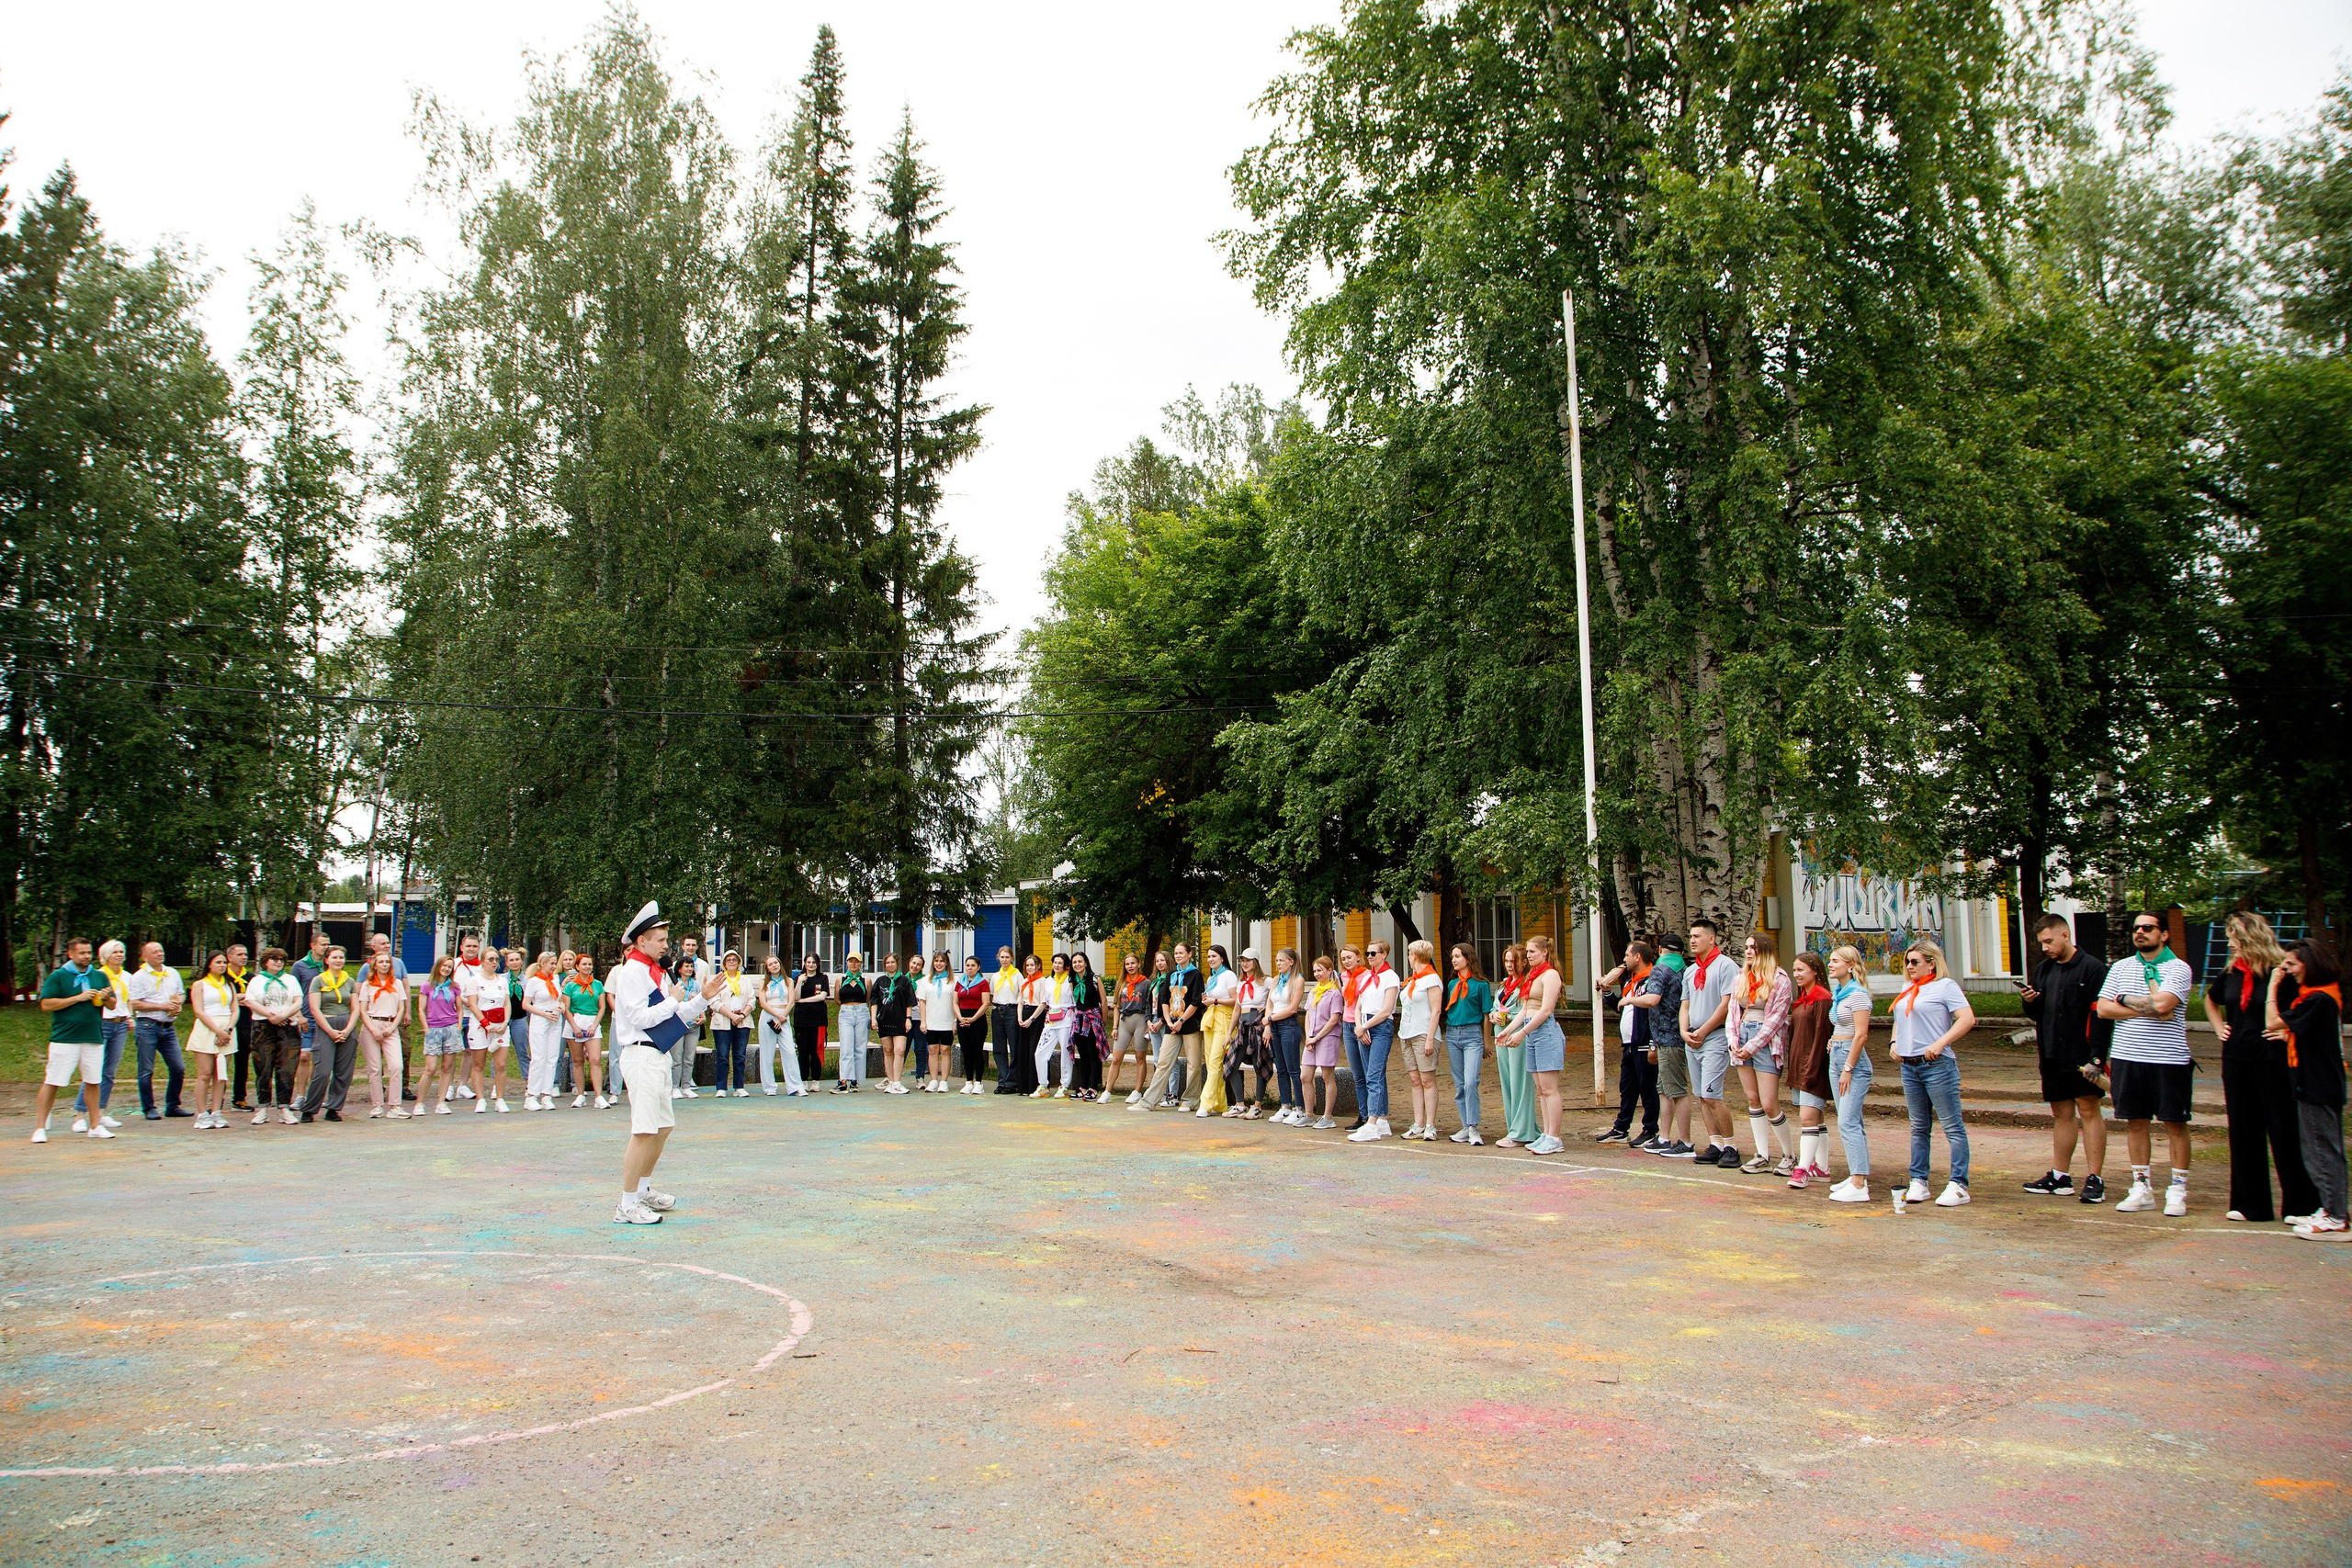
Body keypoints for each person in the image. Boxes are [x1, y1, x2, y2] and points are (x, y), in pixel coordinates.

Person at [607, 901, 725, 1224]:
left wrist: (702, 997)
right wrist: (673, 1000)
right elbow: (638, 1017)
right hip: (640, 1053)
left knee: (662, 1126)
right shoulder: (632, 972)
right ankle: (626, 1204)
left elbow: (674, 1016)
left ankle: (642, 1189)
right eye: (659, 939)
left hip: (657, 1054)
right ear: (641, 940)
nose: (665, 945)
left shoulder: (653, 972)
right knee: (644, 1129)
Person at [2207, 912, 2314, 1224]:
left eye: (2233, 938)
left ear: (2249, 938)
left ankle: (2300, 1205)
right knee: (2243, 1131)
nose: (2229, 944)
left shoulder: (2281, 972)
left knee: (2284, 1130)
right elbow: (2212, 1001)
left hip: (2273, 1060)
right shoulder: (2231, 972)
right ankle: (2250, 1205)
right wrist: (2219, 1027)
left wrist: (2288, 1030)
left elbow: (2306, 1007)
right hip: (2236, 1059)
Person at [2096, 912, 2198, 1217]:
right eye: (2136, 928)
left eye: (2148, 928)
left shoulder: (2178, 968)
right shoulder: (2120, 967)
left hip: (2168, 1059)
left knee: (2175, 1123)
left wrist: (2123, 998)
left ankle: (2177, 1190)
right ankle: (2141, 1188)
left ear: (2163, 934)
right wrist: (2146, 1007)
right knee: (2135, 1122)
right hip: (2127, 1056)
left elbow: (2164, 1004)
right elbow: (2103, 1009)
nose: (2140, 932)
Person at [2019, 913, 2116, 1203]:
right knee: (2061, 1113)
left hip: (2082, 1056)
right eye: (2041, 942)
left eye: (2049, 941)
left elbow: (2101, 1016)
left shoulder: (2093, 968)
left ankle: (2095, 1178)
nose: (2045, 948)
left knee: (2089, 1110)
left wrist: (2097, 1058)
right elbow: (2036, 1015)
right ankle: (2060, 1177)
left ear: (2065, 934)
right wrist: (2029, 1002)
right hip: (2051, 1055)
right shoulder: (2043, 969)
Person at [2266, 939, 2346, 1238]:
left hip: (2317, 1085)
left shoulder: (2318, 999)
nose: (2286, 969)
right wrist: (2290, 1037)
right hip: (2316, 1082)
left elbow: (2272, 1021)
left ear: (2309, 964)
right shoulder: (2318, 998)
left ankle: (2336, 1216)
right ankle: (2330, 1209)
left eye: (2292, 964)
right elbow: (2316, 1038)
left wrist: (2273, 987)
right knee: (2318, 1149)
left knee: (2322, 1151)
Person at [1891, 939, 1973, 1208]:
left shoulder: (1945, 986)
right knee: (1918, 1126)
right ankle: (1919, 1180)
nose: (1909, 966)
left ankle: (1959, 1183)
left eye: (1915, 962)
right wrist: (1894, 1042)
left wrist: (1941, 1042)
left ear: (1932, 963)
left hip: (1937, 1065)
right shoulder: (1907, 988)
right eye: (1907, 962)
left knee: (1952, 1126)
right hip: (1909, 1065)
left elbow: (1967, 1018)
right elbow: (1901, 1017)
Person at [32, 937, 114, 1142]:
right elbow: (46, 1005)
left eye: (89, 953)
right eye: (82, 953)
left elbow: (113, 1005)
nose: (86, 956)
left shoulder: (99, 976)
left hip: (93, 1036)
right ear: (71, 954)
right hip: (65, 1038)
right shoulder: (58, 976)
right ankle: (40, 1128)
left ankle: (95, 1126)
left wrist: (106, 997)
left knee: (93, 1081)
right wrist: (77, 998)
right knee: (53, 1081)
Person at [1727, 931, 1794, 1176]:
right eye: (1746, 947)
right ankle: (1762, 1155)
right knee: (1753, 1099)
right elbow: (1732, 1012)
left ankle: (1789, 1155)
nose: (1748, 951)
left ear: (1764, 950)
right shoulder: (1741, 977)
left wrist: (1751, 1047)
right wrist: (1733, 1042)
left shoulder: (1780, 979)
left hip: (1766, 1041)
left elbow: (1775, 1020)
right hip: (1743, 1036)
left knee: (1769, 1103)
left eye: (1753, 947)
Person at [1677, 919, 1741, 1166]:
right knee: (1702, 1095)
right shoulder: (1691, 970)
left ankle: (1731, 1146)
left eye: (1697, 936)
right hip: (1693, 1038)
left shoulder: (1726, 966)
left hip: (1714, 1036)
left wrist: (1704, 1031)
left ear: (1712, 939)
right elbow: (1685, 1005)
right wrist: (1684, 1031)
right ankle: (1715, 1143)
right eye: (1691, 936)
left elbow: (1726, 1005)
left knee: (1713, 1094)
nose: (1692, 941)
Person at [1498, 933, 1567, 1155]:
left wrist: (1522, 1033)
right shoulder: (1532, 976)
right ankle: (1546, 1134)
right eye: (1527, 952)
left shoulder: (1550, 975)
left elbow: (1546, 1010)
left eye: (1532, 951)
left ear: (1545, 952)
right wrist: (1508, 1030)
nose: (1528, 955)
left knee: (1550, 1089)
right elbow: (1525, 1010)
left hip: (1545, 1033)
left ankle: (1554, 1137)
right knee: (1541, 1089)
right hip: (1532, 1032)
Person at [1822, 944, 1875, 1202]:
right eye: (1830, 960)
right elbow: (1843, 1026)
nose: (1830, 965)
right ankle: (1857, 1174)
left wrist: (1848, 1068)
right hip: (1838, 1056)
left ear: (1850, 966)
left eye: (1835, 961)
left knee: (1847, 1122)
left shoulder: (1858, 995)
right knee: (1852, 1120)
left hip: (1852, 1063)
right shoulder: (1841, 993)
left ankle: (1859, 1183)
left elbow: (1861, 1035)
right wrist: (1834, 1040)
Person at [1595, 942, 1658, 1147]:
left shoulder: (1652, 980)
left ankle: (1651, 1129)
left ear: (1638, 957)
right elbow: (1623, 1008)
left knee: (1648, 1089)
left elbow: (1655, 1013)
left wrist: (1653, 1043)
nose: (1624, 959)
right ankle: (1621, 1128)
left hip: (1644, 1043)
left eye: (1627, 955)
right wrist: (1607, 993)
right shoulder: (1632, 981)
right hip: (1629, 1044)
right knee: (1627, 1088)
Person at [1780, 952, 1835, 1187]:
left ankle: (1802, 1168)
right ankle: (1821, 1167)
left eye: (1801, 969)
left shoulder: (1822, 999)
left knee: (1807, 1118)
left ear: (1815, 970)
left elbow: (1822, 1036)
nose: (1797, 974)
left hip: (1813, 1069)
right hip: (1800, 1067)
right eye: (1795, 970)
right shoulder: (1803, 999)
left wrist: (1811, 1069)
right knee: (1816, 1117)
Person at [1628, 936, 1687, 1155]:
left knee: (1676, 1090)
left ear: (1660, 949)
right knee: (1664, 1089)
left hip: (1668, 1036)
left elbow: (1652, 999)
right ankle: (1664, 1136)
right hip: (1668, 1036)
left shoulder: (1661, 969)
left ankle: (1685, 1141)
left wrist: (1629, 1000)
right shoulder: (1684, 969)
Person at [72, 940, 133, 1134]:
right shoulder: (98, 975)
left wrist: (130, 1017)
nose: (119, 955)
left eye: (121, 951)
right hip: (102, 1023)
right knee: (93, 1070)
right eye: (115, 952)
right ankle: (80, 1115)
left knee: (109, 1072)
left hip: (120, 1024)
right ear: (105, 956)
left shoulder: (127, 976)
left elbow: (128, 1000)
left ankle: (99, 1113)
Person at [126, 941, 190, 1121]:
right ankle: (149, 1108)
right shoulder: (139, 976)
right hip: (147, 1026)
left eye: (161, 951)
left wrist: (177, 1003)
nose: (160, 954)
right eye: (154, 952)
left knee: (178, 1067)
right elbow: (135, 1003)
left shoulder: (172, 973)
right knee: (146, 1069)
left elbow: (181, 993)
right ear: (144, 956)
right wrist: (162, 1006)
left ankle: (173, 1105)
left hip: (168, 1027)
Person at [1347, 940, 1401, 1142]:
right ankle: (1382, 1120)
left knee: (1374, 1075)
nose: (1370, 957)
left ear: (1384, 954)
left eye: (1373, 953)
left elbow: (1386, 1010)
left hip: (1380, 1026)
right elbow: (1358, 1005)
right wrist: (1359, 1026)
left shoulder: (1390, 977)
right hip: (1364, 1024)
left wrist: (1365, 1027)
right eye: (1368, 953)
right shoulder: (1368, 977)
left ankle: (1371, 1122)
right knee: (1372, 1073)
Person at [301, 945, 360, 1123]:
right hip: (326, 1025)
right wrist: (330, 1031)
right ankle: (309, 1109)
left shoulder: (349, 981)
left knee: (344, 1072)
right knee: (322, 1071)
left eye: (341, 957)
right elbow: (314, 1009)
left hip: (346, 1026)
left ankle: (334, 1108)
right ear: (326, 960)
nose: (338, 960)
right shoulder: (318, 980)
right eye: (334, 957)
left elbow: (356, 1008)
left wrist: (348, 1030)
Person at [1442, 943, 1493, 1145]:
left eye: (1457, 956)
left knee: (1471, 1081)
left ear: (1468, 958)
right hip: (1452, 1034)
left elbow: (1487, 1016)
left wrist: (1486, 1043)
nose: (1454, 960)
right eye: (1452, 957)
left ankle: (1473, 1126)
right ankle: (1465, 1125)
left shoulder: (1481, 985)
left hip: (1473, 1035)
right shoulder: (1452, 984)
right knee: (1460, 1084)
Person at [183, 951, 241, 1130]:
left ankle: (217, 1111)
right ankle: (202, 1114)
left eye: (224, 962)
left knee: (221, 1074)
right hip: (208, 1028)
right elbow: (199, 1011)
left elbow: (235, 1010)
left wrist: (227, 1030)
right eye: (218, 962)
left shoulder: (229, 985)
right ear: (209, 964)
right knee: (205, 1073)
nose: (222, 966)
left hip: (227, 1029)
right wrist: (217, 1031)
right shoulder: (200, 985)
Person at [1489, 945, 1540, 1149]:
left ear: (1524, 962)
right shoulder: (1504, 984)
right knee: (1508, 1081)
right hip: (1500, 1034)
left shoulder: (1528, 983)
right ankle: (1515, 1128)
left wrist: (1507, 1017)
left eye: (1514, 961)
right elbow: (1495, 1007)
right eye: (1507, 961)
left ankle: (1522, 1132)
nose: (1510, 965)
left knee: (1520, 1082)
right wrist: (1494, 1015)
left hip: (1518, 1035)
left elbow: (1526, 1011)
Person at [1394, 941, 1444, 1140]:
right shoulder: (1413, 979)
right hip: (1406, 1033)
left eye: (1409, 953)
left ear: (1414, 955)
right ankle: (1418, 1123)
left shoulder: (1431, 979)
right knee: (1415, 1080)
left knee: (1427, 1080)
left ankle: (1430, 1125)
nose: (1408, 957)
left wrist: (1430, 1039)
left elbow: (1436, 1010)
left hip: (1423, 1033)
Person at [453, 934, 508, 1113]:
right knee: (478, 1064)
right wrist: (485, 1023)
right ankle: (480, 1099)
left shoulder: (502, 981)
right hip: (480, 1025)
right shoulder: (474, 980)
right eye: (490, 959)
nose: (494, 962)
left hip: (499, 1026)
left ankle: (500, 1099)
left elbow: (507, 1004)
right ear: (483, 961)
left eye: (496, 959)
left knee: (500, 1065)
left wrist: (505, 1022)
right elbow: (472, 1004)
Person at [356, 950, 410, 1119]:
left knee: (396, 1065)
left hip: (390, 1025)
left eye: (387, 962)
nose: (384, 965)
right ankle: (377, 1105)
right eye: (381, 962)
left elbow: (401, 1008)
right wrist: (373, 1029)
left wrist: (392, 1027)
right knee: (375, 1068)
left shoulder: (397, 983)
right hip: (372, 1025)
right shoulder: (367, 985)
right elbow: (362, 1010)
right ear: (375, 965)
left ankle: (395, 1105)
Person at [411, 956, 466, 1118]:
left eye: (449, 967)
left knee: (447, 1067)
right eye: (444, 966)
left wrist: (459, 1025)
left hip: (451, 1028)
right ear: (438, 967)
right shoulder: (427, 986)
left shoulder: (454, 986)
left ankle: (441, 1102)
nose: (446, 969)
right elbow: (421, 1009)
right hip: (434, 1029)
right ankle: (420, 1102)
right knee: (430, 1068)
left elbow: (459, 1007)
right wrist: (426, 1028)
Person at [1135, 951, 1187, 1112]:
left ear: (1168, 961)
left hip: (1165, 1022)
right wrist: (1149, 1021)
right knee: (1158, 1060)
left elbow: (1172, 1004)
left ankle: (1172, 1095)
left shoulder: (1172, 979)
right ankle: (1162, 1094)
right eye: (1157, 961)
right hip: (1153, 1022)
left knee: (1170, 1059)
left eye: (1162, 960)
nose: (1159, 963)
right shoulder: (1153, 982)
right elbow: (1148, 1003)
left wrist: (1162, 1022)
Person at [1299, 953, 1342, 1128]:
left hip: (1327, 1037)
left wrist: (1317, 1037)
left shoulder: (1334, 993)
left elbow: (1334, 1019)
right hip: (1312, 1038)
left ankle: (1328, 1116)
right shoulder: (1314, 992)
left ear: (1329, 970)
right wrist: (1309, 1037)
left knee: (1326, 1076)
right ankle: (1309, 1114)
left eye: (1320, 970)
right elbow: (1308, 1016)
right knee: (1305, 1076)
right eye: (1315, 971)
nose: (1317, 974)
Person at [561, 953, 610, 1109]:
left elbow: (602, 1007)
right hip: (575, 1022)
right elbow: (566, 1008)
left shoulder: (597, 984)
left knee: (595, 1059)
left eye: (589, 964)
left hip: (592, 1022)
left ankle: (598, 1096)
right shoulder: (570, 986)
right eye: (584, 964)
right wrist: (575, 1027)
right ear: (577, 967)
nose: (587, 967)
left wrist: (594, 1025)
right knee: (577, 1061)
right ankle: (580, 1094)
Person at [1226, 950, 1270, 1118]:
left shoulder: (1266, 981)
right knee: (1231, 1064)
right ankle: (1239, 1104)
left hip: (1258, 1025)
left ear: (1255, 962)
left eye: (1248, 961)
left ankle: (1257, 1106)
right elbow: (1237, 1009)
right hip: (1243, 1026)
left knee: (1259, 1065)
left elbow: (1276, 998)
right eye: (1242, 961)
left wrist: (1267, 1009)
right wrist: (1229, 1032)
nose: (1244, 964)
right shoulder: (1241, 982)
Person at [1195, 945, 1238, 1117]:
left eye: (1214, 956)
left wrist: (1215, 1000)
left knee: (1214, 1061)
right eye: (1209, 957)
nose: (1210, 959)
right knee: (1210, 1061)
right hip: (1211, 1018)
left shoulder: (1229, 975)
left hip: (1224, 1020)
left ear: (1222, 958)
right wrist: (1208, 1000)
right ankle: (1220, 1103)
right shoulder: (1212, 977)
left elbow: (1236, 1000)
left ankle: (1205, 1103)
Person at [706, 951, 753, 1099]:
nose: (732, 962)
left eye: (734, 959)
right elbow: (714, 1002)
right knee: (722, 1055)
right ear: (724, 964)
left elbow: (752, 1000)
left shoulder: (745, 981)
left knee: (740, 1056)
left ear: (739, 963)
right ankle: (721, 1087)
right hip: (723, 1021)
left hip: (742, 1020)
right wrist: (732, 1016)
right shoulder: (718, 980)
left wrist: (742, 1015)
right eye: (728, 960)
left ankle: (739, 1086)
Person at [290, 930, 330, 1105]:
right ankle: (300, 1096)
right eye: (322, 944)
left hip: (326, 1017)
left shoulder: (330, 964)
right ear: (312, 945)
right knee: (304, 1056)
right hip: (306, 1017)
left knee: (320, 1059)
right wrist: (298, 1015)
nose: (325, 947)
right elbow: (293, 992)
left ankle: (316, 1096)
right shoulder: (300, 966)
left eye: (327, 944)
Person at [755, 954, 802, 1097]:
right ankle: (769, 1087)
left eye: (775, 962)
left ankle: (795, 1086)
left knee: (789, 1051)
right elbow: (763, 1003)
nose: (774, 965)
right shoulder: (763, 982)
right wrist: (776, 1015)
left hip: (784, 1017)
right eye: (770, 964)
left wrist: (782, 1017)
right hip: (769, 1016)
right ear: (767, 968)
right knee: (767, 1052)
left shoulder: (788, 981)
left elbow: (791, 1002)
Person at [1108, 953, 1152, 1105]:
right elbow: (1116, 1006)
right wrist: (1115, 1027)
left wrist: (1148, 1024)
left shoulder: (1146, 983)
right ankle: (1107, 1091)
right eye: (1127, 964)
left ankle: (1137, 1091)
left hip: (1140, 1020)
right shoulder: (1121, 983)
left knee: (1140, 1058)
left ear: (1139, 964)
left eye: (1133, 963)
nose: (1130, 966)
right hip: (1124, 1021)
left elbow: (1149, 1004)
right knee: (1116, 1058)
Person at [1034, 953, 1077, 1100]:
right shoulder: (1049, 981)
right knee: (1040, 1052)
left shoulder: (1071, 980)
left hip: (1066, 1019)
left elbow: (1075, 1001)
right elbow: (1045, 1002)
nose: (1057, 965)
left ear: (1065, 966)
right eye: (1055, 963)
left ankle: (1064, 1085)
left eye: (1060, 963)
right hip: (1051, 1019)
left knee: (1066, 1051)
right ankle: (1043, 1085)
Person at [668, 934, 706, 1100]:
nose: (689, 969)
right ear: (679, 968)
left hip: (693, 1024)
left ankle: (686, 1086)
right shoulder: (673, 984)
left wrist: (702, 1016)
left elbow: (700, 1002)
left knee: (689, 1057)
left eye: (691, 966)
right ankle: (674, 1087)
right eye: (686, 966)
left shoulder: (696, 985)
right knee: (676, 1058)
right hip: (677, 1024)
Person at [873, 952, 915, 1094]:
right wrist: (873, 1018)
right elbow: (874, 1001)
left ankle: (897, 1082)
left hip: (900, 1021)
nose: (890, 965)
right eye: (887, 963)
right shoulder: (880, 981)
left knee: (900, 1050)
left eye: (892, 962)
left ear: (897, 964)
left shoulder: (904, 981)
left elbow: (909, 1002)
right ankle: (890, 1082)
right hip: (884, 1020)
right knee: (888, 1050)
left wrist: (908, 1018)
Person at [918, 951, 959, 1092]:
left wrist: (955, 1020)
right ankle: (934, 1080)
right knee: (932, 1050)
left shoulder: (954, 980)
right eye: (936, 961)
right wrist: (923, 1021)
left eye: (942, 961)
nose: (939, 964)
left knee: (945, 1050)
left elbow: (956, 1002)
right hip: (931, 1021)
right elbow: (922, 1001)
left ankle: (944, 1081)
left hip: (947, 1021)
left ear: (946, 963)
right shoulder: (926, 980)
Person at [1068, 952, 1106, 1101]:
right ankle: (1083, 1087)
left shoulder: (1095, 979)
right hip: (1079, 1019)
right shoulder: (1072, 981)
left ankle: (1094, 1088)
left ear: (1085, 963)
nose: (1077, 964)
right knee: (1083, 1054)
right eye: (1074, 962)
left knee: (1093, 1053)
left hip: (1093, 1019)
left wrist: (1103, 1021)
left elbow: (1103, 1001)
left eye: (1080, 961)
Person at [224, 942, 255, 1111]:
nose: (244, 957)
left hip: (245, 1023)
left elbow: (254, 998)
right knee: (221, 1062)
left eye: (245, 954)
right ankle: (217, 1098)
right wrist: (239, 998)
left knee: (242, 1062)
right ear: (229, 957)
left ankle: (239, 1098)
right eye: (239, 954)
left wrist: (236, 998)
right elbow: (223, 998)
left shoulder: (251, 977)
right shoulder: (223, 976)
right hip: (225, 1023)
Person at [956, 955, 992, 1094]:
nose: (970, 968)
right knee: (966, 1051)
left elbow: (985, 1003)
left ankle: (978, 1083)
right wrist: (960, 1018)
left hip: (977, 1021)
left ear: (978, 967)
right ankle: (968, 1081)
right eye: (968, 965)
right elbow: (955, 1002)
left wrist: (973, 1019)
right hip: (962, 1020)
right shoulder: (960, 982)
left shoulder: (982, 982)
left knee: (977, 1051)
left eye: (973, 966)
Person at [1014, 953, 1049, 1097]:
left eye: (1032, 965)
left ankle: (1035, 1085)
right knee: (1023, 1050)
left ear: (1038, 966)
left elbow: (1043, 1003)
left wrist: (1031, 1019)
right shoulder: (1024, 981)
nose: (1029, 968)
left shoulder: (1042, 981)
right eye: (1027, 965)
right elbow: (1020, 1002)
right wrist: (1019, 1018)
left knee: (1034, 1050)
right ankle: (1023, 1086)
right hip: (1024, 1015)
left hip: (1036, 1016)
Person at [990, 946, 1023, 1094]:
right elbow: (992, 995)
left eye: (1007, 957)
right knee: (999, 1048)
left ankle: (1012, 1082)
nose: (1004, 960)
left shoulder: (1017, 975)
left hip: (1012, 1010)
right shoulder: (995, 976)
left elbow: (1021, 995)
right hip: (998, 1011)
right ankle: (1002, 1080)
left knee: (1014, 1047)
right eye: (1002, 957)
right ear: (998, 958)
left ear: (1012, 958)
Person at [828, 952, 863, 1091]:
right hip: (846, 1013)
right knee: (846, 1047)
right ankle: (843, 1080)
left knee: (859, 1047)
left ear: (860, 964)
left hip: (861, 1012)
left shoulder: (865, 980)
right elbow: (837, 999)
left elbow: (867, 998)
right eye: (851, 961)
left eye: (856, 961)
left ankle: (855, 1080)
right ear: (847, 962)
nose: (853, 964)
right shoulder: (840, 979)